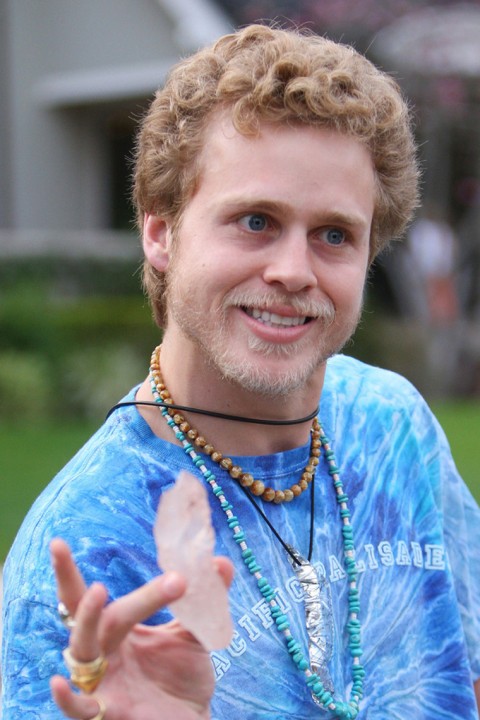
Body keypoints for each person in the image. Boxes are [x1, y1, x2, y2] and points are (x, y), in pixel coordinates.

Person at [2, 23, 480, 720]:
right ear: (160, 232)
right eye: (256, 221)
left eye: (335, 235)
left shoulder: (391, 425)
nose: (293, 271)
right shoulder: (88, 548)